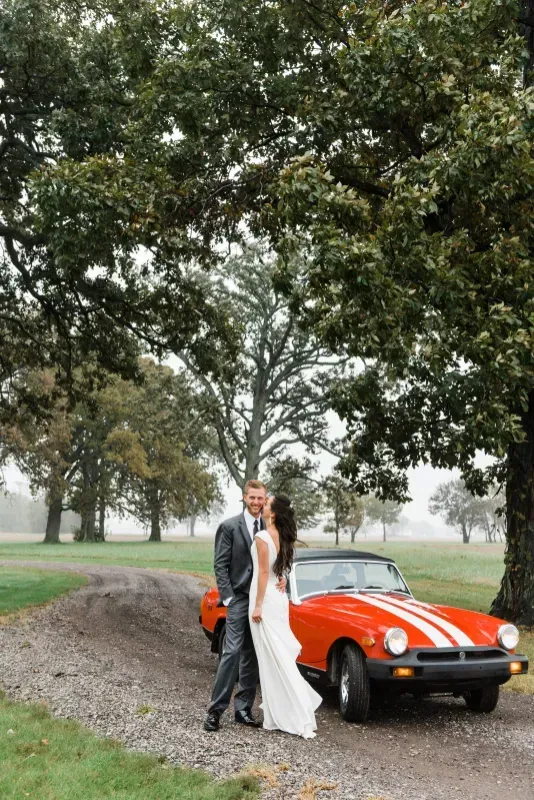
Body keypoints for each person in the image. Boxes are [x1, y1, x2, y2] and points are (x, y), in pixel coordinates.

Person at [204, 479, 285, 732]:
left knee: (253, 654)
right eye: (252, 498)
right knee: (232, 652)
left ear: (265, 499)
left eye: (261, 498)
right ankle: (215, 711)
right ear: (244, 497)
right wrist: (228, 598)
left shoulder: (270, 526)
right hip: (239, 599)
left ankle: (243, 710)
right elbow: (220, 565)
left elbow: (277, 559)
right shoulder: (229, 527)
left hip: (263, 600)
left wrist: (282, 577)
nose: (257, 503)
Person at [250, 494, 322, 738]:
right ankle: (280, 710)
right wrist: (281, 578)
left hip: (265, 599)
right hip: (278, 598)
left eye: (267, 504)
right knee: (278, 656)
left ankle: (285, 713)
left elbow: (261, 573)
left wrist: (258, 605)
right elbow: (279, 569)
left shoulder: (262, 537)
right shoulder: (283, 536)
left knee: (272, 657)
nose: (262, 505)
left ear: (273, 513)